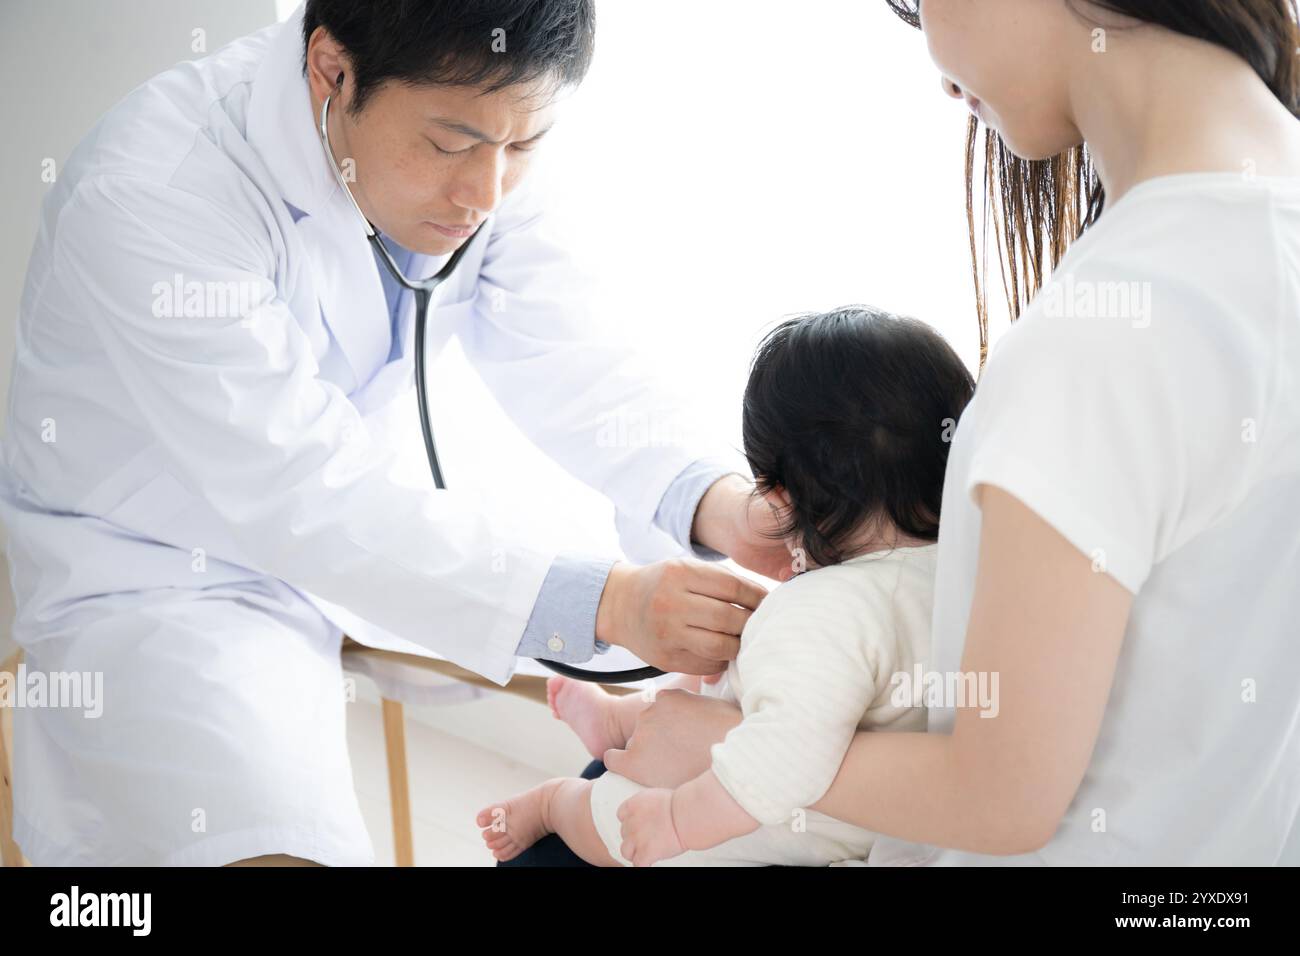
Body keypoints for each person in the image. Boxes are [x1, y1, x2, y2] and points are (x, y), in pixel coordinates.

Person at [0, 0, 789, 867]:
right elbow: (299, 488)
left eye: (523, 147)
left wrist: (718, 503)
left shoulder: (482, 124)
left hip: (369, 506)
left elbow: (575, 351)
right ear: (331, 70)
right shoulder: (155, 192)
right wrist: (606, 603)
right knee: (262, 840)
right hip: (161, 572)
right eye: (452, 146)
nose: (485, 194)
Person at [510, 0, 1300, 866]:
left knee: (577, 822)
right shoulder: (1246, 236)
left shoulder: (1105, 333)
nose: (934, 52)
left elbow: (1002, 797)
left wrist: (723, 751)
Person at [480, 307, 974, 866]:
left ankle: (551, 804)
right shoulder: (975, 577)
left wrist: (675, 818)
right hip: (886, 808)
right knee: (728, 666)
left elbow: (775, 759)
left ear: (777, 497)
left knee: (605, 815)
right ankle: (619, 719)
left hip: (780, 823)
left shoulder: (819, 614)